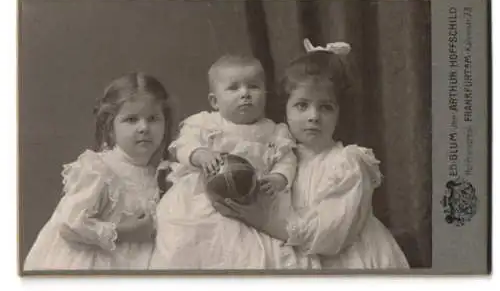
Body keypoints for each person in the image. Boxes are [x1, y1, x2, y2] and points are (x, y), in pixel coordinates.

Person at [216, 40, 410, 269]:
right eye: (302, 105)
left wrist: (265, 222)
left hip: (349, 261)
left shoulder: (347, 163)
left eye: (326, 107)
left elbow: (330, 234)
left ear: (340, 113)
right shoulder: (277, 158)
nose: (313, 116)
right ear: (285, 109)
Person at [150, 55, 298, 269]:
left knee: (254, 253)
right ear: (214, 101)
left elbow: (287, 160)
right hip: (204, 199)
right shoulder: (205, 123)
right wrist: (201, 155)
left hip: (253, 201)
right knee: (189, 238)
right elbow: (182, 146)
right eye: (234, 88)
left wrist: (277, 178)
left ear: (265, 95)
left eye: (253, 87)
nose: (245, 93)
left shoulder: (274, 132)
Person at [23, 72, 173, 270]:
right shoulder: (100, 169)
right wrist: (125, 232)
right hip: (93, 266)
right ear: (110, 127)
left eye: (153, 118)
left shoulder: (160, 175)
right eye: (131, 119)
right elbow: (70, 223)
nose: (144, 127)